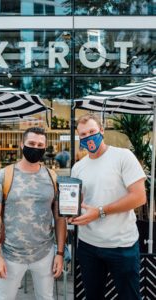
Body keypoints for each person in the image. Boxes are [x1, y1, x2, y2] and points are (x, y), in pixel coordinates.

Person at [69, 113, 146, 300]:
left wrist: (100, 212)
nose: (88, 137)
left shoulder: (123, 156)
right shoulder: (78, 168)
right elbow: (78, 203)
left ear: (102, 131)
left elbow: (139, 197)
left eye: (92, 132)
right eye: (83, 135)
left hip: (122, 245)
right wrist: (70, 212)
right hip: (88, 246)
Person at [0, 127, 67, 300]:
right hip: (11, 255)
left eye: (40, 145)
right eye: (31, 143)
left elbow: (59, 218)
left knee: (46, 297)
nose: (36, 148)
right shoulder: (4, 176)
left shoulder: (52, 176)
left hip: (44, 254)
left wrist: (60, 253)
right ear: (21, 144)